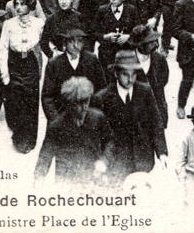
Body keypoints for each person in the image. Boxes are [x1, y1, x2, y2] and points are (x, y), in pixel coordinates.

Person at [91, 50, 168, 185]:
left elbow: (156, 122)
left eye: (133, 74)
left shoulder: (145, 91)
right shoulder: (102, 98)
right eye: (125, 74)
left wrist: (162, 152)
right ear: (116, 74)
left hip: (142, 159)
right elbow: (96, 134)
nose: (130, 79)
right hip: (115, 162)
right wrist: (99, 161)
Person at [34, 77, 114, 188]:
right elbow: (45, 155)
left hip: (93, 176)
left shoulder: (98, 118)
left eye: (86, 101)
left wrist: (104, 160)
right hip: (66, 179)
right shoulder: (57, 126)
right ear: (70, 104)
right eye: (79, 103)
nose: (84, 107)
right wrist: (39, 178)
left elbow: (110, 141)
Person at [0, 0, 45, 154]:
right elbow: (2, 48)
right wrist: (5, 73)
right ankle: (18, 138)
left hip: (31, 63)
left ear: (30, 5)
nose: (18, 7)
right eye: (16, 4)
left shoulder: (39, 24)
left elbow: (44, 48)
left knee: (31, 101)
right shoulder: (9, 24)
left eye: (22, 4)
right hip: (15, 63)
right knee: (16, 100)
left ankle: (30, 140)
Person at [41, 29, 106, 124]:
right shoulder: (54, 63)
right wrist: (56, 120)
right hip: (62, 118)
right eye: (71, 41)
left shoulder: (91, 60)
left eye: (79, 41)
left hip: (88, 118)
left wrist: (94, 115)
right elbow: (47, 97)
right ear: (65, 42)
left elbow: (102, 89)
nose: (76, 45)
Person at [130, 25, 170, 128]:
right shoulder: (127, 59)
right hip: (135, 110)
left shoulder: (159, 59)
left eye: (155, 41)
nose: (156, 44)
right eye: (151, 42)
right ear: (140, 44)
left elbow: (164, 79)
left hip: (156, 107)